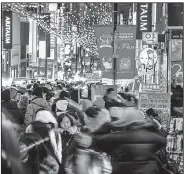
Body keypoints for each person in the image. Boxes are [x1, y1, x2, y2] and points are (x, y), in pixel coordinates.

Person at [75, 107, 167, 174]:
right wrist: (155, 128)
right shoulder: (153, 136)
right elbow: (163, 140)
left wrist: (109, 125)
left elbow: (96, 140)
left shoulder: (117, 137)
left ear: (125, 120)